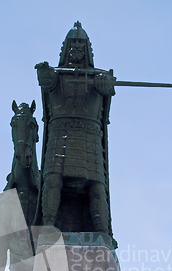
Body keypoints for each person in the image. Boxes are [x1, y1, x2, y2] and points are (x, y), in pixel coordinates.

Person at [35, 21, 116, 237]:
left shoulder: (97, 78)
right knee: (52, 179)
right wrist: (44, 71)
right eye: (74, 43)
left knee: (96, 185)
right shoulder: (57, 76)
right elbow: (47, 81)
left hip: (88, 136)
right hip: (60, 135)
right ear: (66, 48)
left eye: (81, 44)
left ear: (87, 49)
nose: (77, 48)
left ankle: (102, 232)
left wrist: (106, 84)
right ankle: (49, 225)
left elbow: (107, 89)